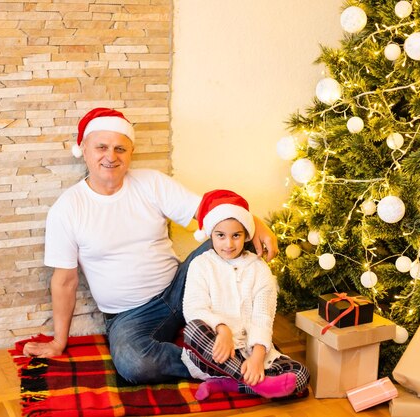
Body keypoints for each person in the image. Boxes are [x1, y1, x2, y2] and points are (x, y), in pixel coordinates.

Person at [22, 108, 278, 385]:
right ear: (84, 149)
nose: (111, 156)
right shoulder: (67, 208)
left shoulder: (151, 183)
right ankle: (223, 365)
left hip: (182, 287)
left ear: (130, 152)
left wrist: (256, 223)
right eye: (102, 147)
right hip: (130, 316)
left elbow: (211, 212)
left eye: (120, 148)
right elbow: (64, 282)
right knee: (133, 363)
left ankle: (251, 344)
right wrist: (59, 341)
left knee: (234, 237)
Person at [181, 189, 309, 400]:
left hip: (251, 351)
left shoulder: (258, 269)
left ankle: (228, 383)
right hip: (217, 353)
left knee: (301, 375)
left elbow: (262, 316)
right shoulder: (201, 265)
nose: (229, 244)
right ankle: (263, 386)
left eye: (236, 236)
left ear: (247, 235)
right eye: (220, 235)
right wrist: (222, 331)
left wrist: (258, 357)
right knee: (193, 329)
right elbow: (194, 308)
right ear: (210, 234)